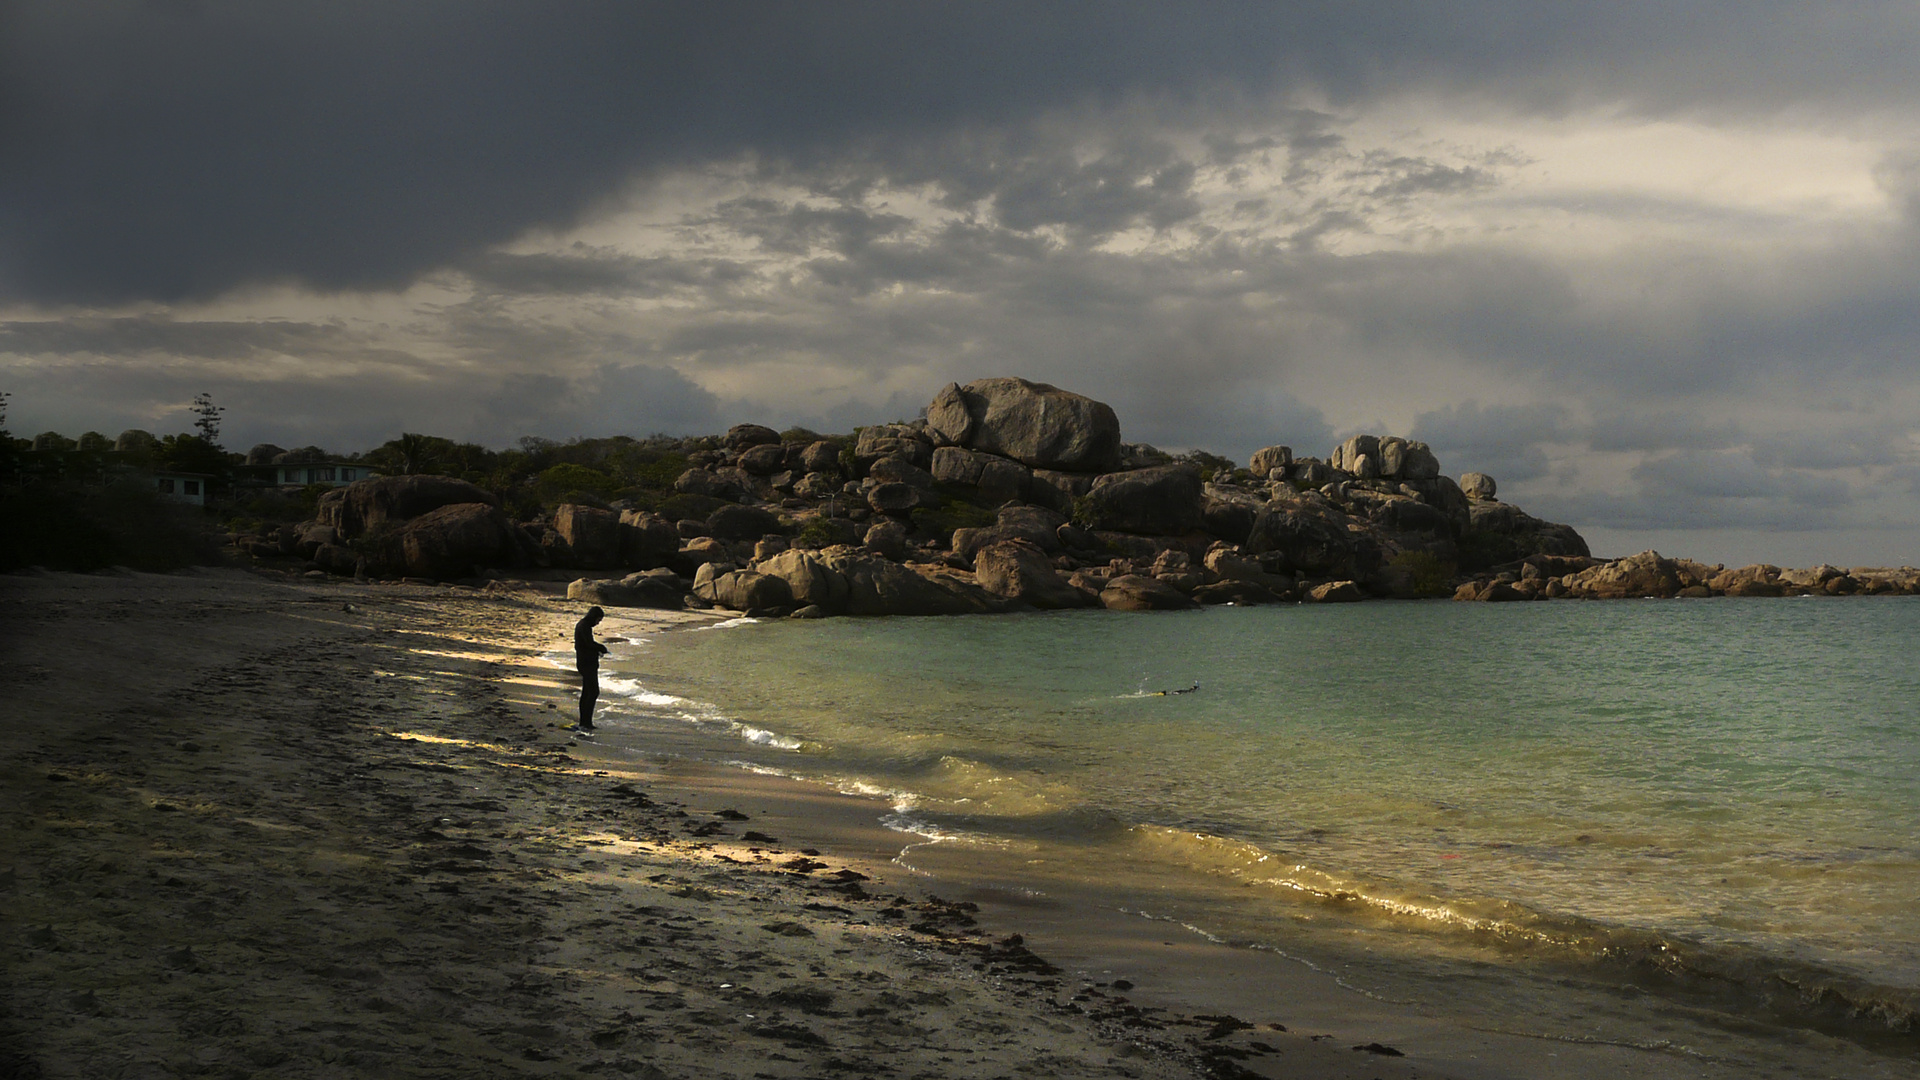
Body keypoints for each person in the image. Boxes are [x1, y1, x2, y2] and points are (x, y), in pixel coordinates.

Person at [573, 606, 610, 731]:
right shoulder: (584, 626)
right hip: (586, 664)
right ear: (593, 617)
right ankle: (586, 722)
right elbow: (589, 644)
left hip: (585, 663)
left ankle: (584, 721)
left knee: (587, 692)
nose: (597, 623)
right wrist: (601, 648)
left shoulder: (583, 625)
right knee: (593, 692)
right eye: (598, 620)